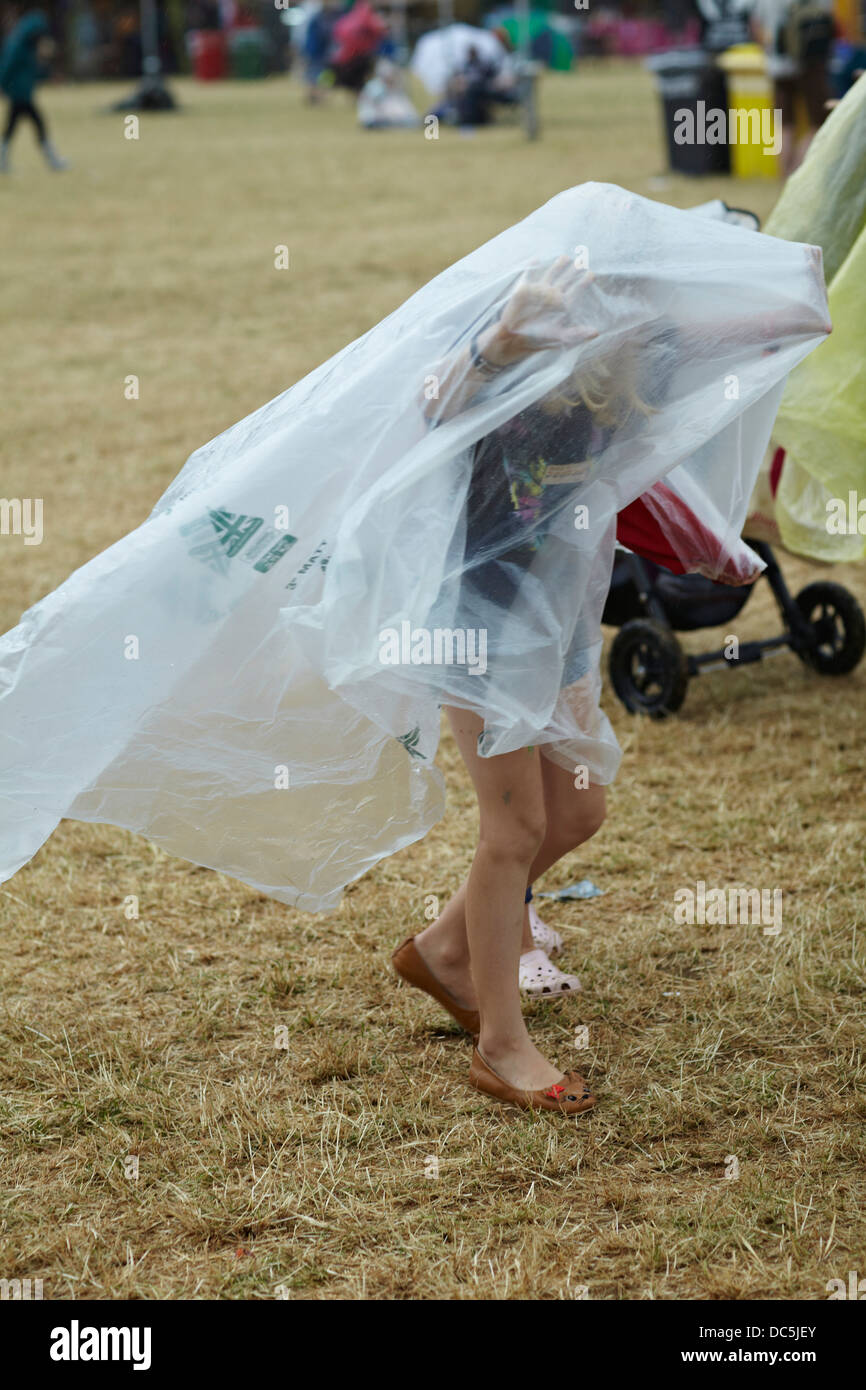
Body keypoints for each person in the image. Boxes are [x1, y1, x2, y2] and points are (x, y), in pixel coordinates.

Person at [751, 0, 835, 174]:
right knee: (818, 123)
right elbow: (827, 19)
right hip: (809, 65)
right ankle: (796, 173)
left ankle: (784, 176)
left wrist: (770, 52)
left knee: (785, 125)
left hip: (777, 65)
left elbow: (756, 25)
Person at [0, 6, 67, 172]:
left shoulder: (26, 47)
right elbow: (7, 68)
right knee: (37, 124)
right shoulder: (18, 48)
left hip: (22, 93)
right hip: (19, 94)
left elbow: (34, 72)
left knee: (12, 128)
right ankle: (52, 160)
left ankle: (3, 160)